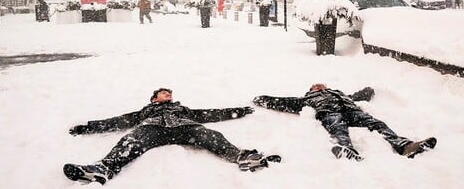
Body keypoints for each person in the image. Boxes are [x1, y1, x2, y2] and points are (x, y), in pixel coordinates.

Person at [64, 88, 280, 185]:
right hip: (153, 129)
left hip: (186, 129)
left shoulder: (182, 109)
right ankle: (102, 170)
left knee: (210, 134)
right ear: (154, 98)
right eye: (164, 93)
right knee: (131, 140)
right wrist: (87, 127)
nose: (169, 95)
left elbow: (210, 114)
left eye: (170, 93)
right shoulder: (145, 112)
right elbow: (117, 121)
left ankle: (243, 157)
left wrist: (239, 110)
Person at [253, 83, 436, 161]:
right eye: (316, 87)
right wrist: (262, 99)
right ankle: (347, 148)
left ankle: (405, 146)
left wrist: (368, 90)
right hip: (329, 113)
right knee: (337, 125)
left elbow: (359, 95)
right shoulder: (307, 100)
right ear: (310, 91)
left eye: (322, 85)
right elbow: (283, 102)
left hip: (352, 112)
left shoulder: (340, 94)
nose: (320, 87)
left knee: (376, 123)